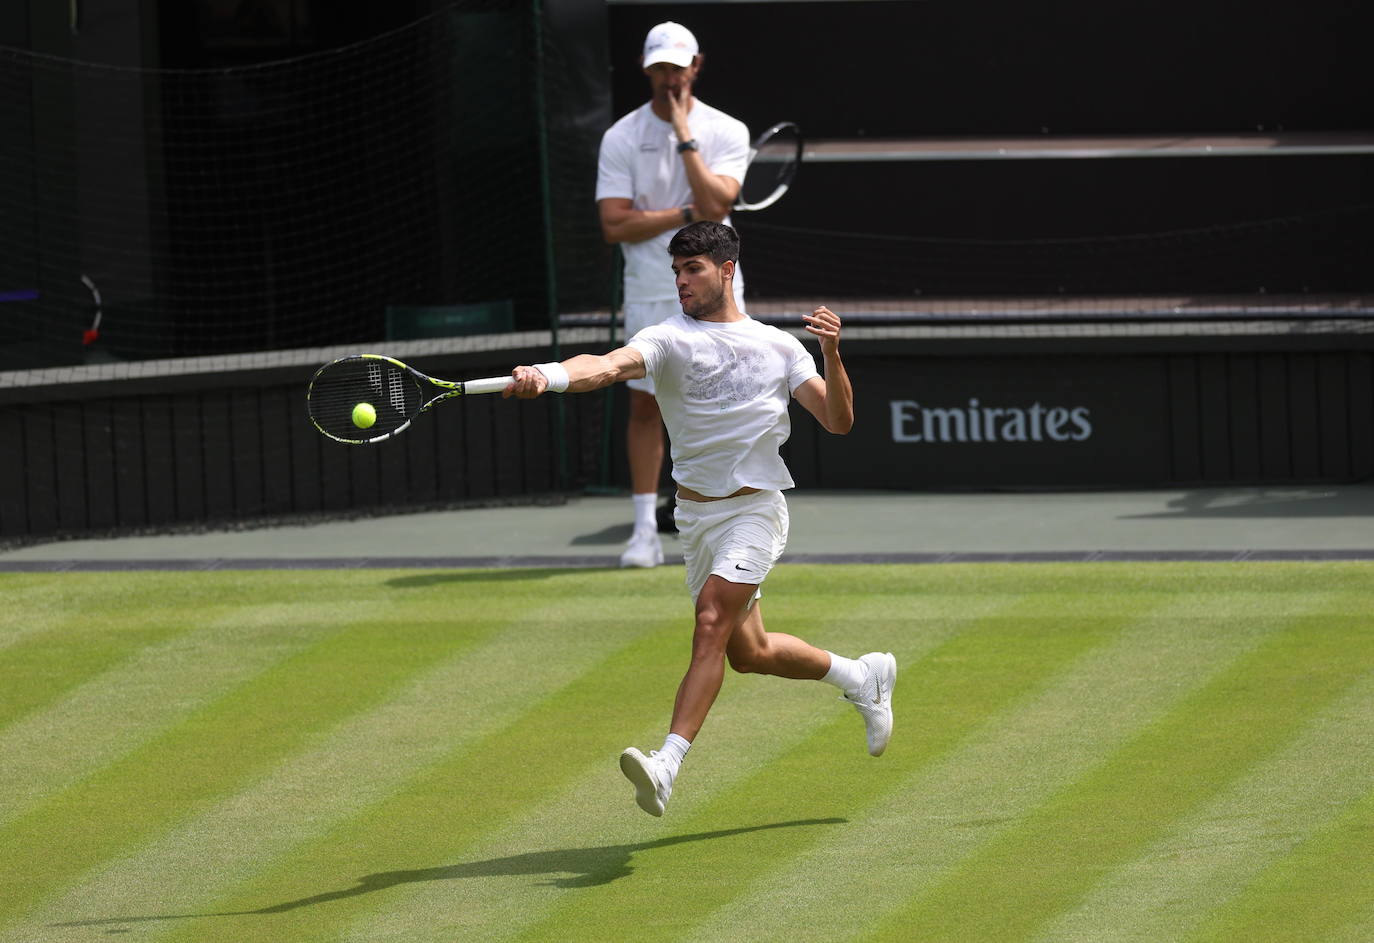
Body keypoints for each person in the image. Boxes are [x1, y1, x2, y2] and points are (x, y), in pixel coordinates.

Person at [503, 221, 895, 817]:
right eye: (677, 272)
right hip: (696, 519)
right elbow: (605, 366)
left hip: (756, 509)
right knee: (749, 652)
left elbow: (839, 422)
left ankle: (667, 763)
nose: (682, 282)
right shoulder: (665, 339)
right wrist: (550, 376)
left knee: (711, 620)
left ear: (727, 270)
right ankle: (860, 677)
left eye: (694, 270)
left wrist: (832, 354)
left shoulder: (780, 346)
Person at [596, 20, 751, 569]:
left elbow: (719, 200)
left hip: (718, 292)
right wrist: (686, 213)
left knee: (726, 400)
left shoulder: (727, 130)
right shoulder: (620, 136)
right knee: (644, 405)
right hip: (648, 287)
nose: (668, 78)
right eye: (659, 68)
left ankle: (731, 522)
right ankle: (644, 533)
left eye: (676, 68)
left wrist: (685, 133)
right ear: (647, 71)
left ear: (695, 67)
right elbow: (615, 225)